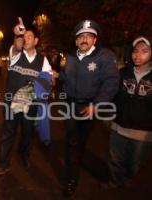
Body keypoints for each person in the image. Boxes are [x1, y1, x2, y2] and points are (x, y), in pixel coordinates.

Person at [54, 20, 120, 197]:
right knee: (72, 141)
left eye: (88, 36)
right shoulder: (71, 56)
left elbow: (112, 83)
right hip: (71, 105)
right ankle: (71, 179)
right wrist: (58, 75)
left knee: (82, 139)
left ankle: (77, 158)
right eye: (80, 37)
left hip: (90, 105)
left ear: (94, 40)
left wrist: (97, 104)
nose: (84, 40)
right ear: (76, 41)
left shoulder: (105, 56)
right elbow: (67, 77)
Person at [0, 19, 52, 176]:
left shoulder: (43, 60)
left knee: (27, 134)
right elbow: (18, 45)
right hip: (12, 103)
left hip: (31, 105)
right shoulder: (15, 54)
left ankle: (23, 154)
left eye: (28, 36)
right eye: (23, 36)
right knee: (8, 132)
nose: (25, 39)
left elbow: (48, 81)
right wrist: (18, 35)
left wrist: (48, 82)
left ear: (36, 41)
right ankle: (3, 164)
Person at [105, 36, 152, 189]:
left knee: (134, 162)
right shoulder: (123, 73)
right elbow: (111, 94)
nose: (138, 55)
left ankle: (127, 178)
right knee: (114, 158)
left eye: (144, 51)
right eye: (136, 51)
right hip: (119, 126)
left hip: (143, 132)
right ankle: (114, 181)